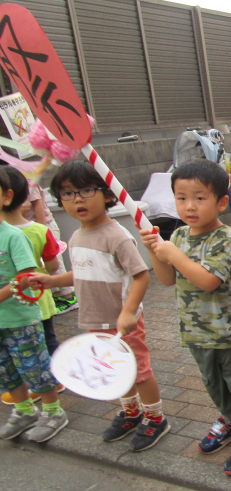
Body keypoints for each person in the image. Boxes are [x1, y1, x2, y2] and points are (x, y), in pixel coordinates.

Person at [33, 160, 170, 451]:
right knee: (113, 368)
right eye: (68, 194)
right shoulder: (77, 236)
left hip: (122, 320)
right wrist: (50, 281)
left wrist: (127, 312)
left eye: (85, 190)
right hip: (94, 319)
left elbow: (141, 275)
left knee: (139, 370)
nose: (77, 199)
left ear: (107, 195)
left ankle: (155, 418)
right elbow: (83, 273)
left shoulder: (116, 236)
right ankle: (131, 412)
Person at [140, 159, 231, 476]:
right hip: (195, 332)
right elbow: (167, 279)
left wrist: (172, 254)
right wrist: (157, 251)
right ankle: (228, 419)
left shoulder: (223, 238)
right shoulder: (179, 236)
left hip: (228, 334)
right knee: (214, 385)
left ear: (221, 202)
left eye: (199, 197)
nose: (189, 206)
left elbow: (208, 280)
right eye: (181, 198)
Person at [0, 167, 68, 443]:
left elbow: (27, 276)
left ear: (7, 197)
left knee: (35, 366)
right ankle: (23, 410)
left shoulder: (13, 236)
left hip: (20, 318)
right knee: (6, 369)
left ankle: (53, 412)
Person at [22, 179, 78, 314]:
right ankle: (57, 296)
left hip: (43, 225)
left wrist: (41, 229)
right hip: (31, 228)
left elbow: (37, 204)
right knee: (43, 264)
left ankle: (69, 297)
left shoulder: (28, 179)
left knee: (54, 260)